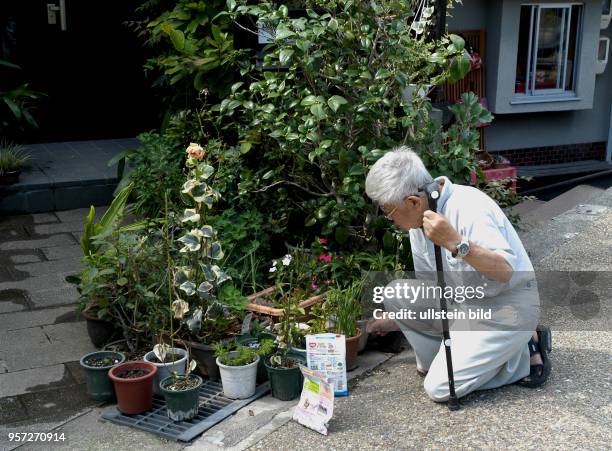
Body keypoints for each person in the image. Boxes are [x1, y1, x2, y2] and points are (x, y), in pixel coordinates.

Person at [364, 147, 552, 402]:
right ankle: (463, 357)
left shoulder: (469, 206)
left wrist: (455, 243)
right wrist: (397, 319)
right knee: (396, 293)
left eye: (389, 211)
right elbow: (432, 289)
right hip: (464, 305)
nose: (389, 219)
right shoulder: (419, 223)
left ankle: (522, 352)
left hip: (505, 306)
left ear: (413, 202)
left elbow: (505, 271)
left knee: (441, 389)